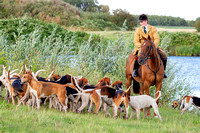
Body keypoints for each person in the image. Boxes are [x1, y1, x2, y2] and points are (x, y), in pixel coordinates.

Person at [132, 14, 167, 78]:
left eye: (142, 21)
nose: (141, 23)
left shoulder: (153, 29)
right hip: (142, 48)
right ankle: (135, 70)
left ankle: (163, 71)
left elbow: (156, 39)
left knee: (164, 55)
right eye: (140, 22)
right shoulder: (138, 30)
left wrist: (154, 47)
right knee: (138, 56)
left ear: (146, 21)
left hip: (152, 47)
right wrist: (142, 47)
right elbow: (135, 41)